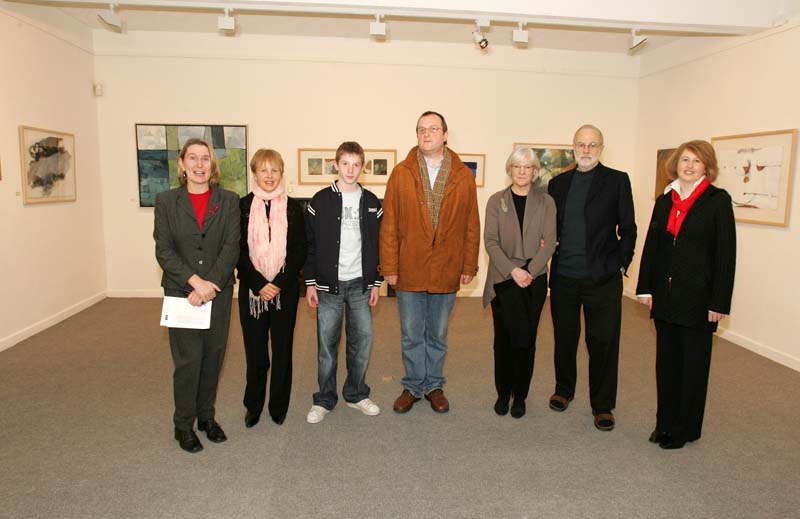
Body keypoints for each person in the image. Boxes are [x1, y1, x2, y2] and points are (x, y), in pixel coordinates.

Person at [636, 140, 736, 450]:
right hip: (665, 298)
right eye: (685, 160)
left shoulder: (717, 201)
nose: (689, 166)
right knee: (666, 365)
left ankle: (685, 429)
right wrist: (645, 287)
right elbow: (652, 245)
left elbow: (725, 256)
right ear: (676, 164)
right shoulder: (665, 199)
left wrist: (719, 303)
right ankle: (664, 424)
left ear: (707, 166)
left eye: (696, 161)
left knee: (692, 367)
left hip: (698, 300)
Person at [380, 110, 480, 414]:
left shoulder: (463, 175)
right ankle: (413, 386)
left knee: (437, 333)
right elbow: (389, 225)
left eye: (433, 129)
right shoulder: (401, 172)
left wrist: (468, 266)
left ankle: (434, 384)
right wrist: (390, 267)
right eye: (422, 129)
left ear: (445, 135)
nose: (427, 134)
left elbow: (471, 224)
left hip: (447, 268)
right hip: (409, 267)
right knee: (411, 334)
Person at [547, 124, 636, 431]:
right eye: (581, 144)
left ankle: (602, 405)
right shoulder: (558, 184)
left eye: (592, 145)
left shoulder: (617, 181)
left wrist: (621, 264)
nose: (586, 150)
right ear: (574, 147)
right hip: (564, 278)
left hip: (602, 279)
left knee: (603, 342)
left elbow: (629, 229)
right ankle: (564, 390)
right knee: (565, 338)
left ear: (601, 149)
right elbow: (550, 226)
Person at [153, 138, 240, 453]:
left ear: (212, 165)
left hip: (218, 292)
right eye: (193, 158)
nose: (200, 165)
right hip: (181, 293)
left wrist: (210, 285)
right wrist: (194, 283)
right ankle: (183, 426)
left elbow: (231, 247)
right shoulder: (165, 201)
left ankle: (206, 417)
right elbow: (163, 250)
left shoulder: (229, 201)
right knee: (188, 361)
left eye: (206, 158)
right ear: (181, 164)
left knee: (213, 357)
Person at [303, 141, 383, 424]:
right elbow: (309, 246)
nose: (351, 170)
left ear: (363, 167)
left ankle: (356, 393)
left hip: (361, 285)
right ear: (336, 165)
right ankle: (324, 398)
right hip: (328, 287)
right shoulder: (319, 201)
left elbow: (378, 245)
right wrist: (310, 283)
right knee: (327, 346)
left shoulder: (372, 202)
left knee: (362, 342)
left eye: (356, 164)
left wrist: (376, 283)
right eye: (345, 163)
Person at [483, 147, 557, 418]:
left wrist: (530, 270)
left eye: (528, 167)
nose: (522, 171)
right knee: (502, 340)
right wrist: (514, 271)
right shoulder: (496, 201)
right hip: (503, 278)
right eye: (517, 166)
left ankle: (520, 396)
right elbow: (490, 241)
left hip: (534, 280)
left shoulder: (547, 202)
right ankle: (503, 394)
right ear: (510, 169)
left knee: (525, 341)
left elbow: (549, 243)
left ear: (535, 171)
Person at [237, 149, 306, 428]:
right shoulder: (241, 206)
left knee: (282, 351)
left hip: (284, 293)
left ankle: (278, 406)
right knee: (255, 353)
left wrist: (276, 284)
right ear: (255, 173)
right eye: (263, 170)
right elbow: (237, 250)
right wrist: (258, 284)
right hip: (252, 292)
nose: (269, 176)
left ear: (281, 173)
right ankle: (253, 405)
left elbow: (300, 250)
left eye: (274, 170)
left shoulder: (292, 208)